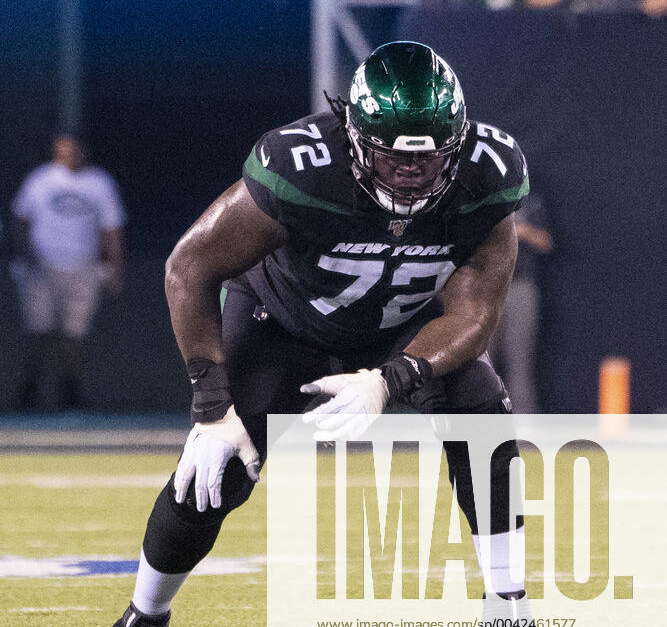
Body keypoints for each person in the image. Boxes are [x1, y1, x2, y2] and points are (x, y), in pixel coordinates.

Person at [114, 42, 531, 626]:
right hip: (283, 321)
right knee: (216, 468)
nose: (411, 173)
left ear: (458, 144)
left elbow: (476, 312)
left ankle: (509, 603)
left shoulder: (488, 175)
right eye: (392, 157)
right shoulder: (300, 167)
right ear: (355, 135)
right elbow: (189, 267)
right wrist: (211, 404)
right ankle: (146, 612)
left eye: (430, 157)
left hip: (400, 328)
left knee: (481, 408)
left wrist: (394, 379)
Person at [11, 133, 126, 409]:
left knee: (75, 333)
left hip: (83, 269)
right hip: (42, 268)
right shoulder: (40, 180)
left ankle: (69, 390)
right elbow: (21, 220)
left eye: (74, 150)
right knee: (37, 329)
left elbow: (111, 229)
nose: (69, 155)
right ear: (55, 151)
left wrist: (115, 268)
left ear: (83, 151)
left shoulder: (100, 183)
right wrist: (20, 258)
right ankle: (30, 388)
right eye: (63, 150)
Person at [491, 192, 553, 413]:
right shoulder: (478, 196)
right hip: (486, 289)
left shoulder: (530, 199)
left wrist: (520, 230)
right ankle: (478, 427)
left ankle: (527, 431)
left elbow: (547, 242)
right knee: (482, 364)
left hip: (520, 286)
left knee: (520, 363)